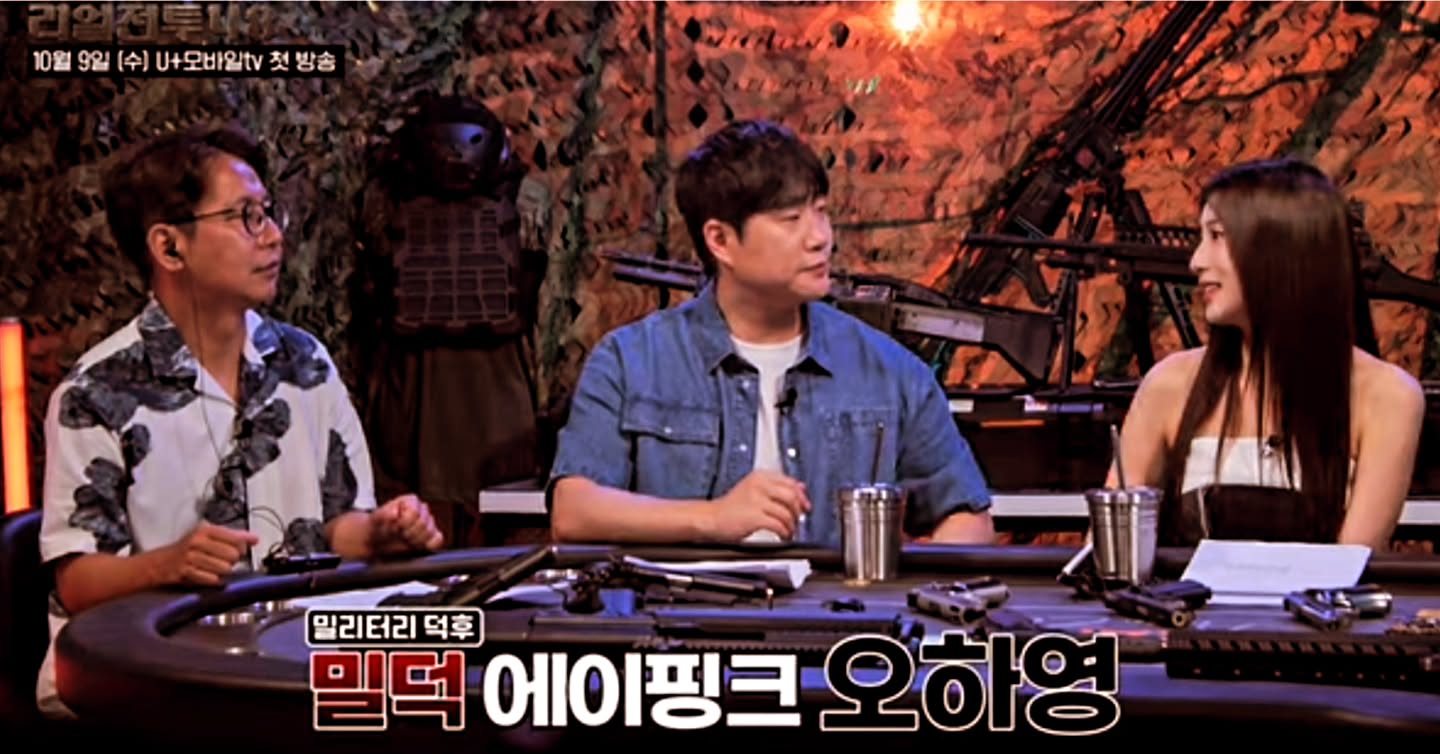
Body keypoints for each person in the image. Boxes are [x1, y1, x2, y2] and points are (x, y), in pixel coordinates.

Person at [35, 123, 444, 718]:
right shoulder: (95, 392)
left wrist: (381, 534)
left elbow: (336, 529)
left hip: (289, 659)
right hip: (149, 678)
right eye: (247, 217)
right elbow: (77, 582)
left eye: (269, 212)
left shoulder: (304, 361)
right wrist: (168, 564)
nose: (274, 235)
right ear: (169, 248)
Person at [547, 119, 995, 548]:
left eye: (821, 212)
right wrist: (712, 518)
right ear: (720, 241)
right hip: (679, 602)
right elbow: (574, 510)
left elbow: (968, 516)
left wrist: (915, 590)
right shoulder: (632, 361)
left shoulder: (888, 369)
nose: (820, 238)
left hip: (835, 603)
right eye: (791, 219)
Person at [1111, 157, 1424, 551]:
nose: (1196, 262)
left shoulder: (1388, 397)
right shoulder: (1169, 385)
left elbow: (1352, 565)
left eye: (1217, 236)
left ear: (1280, 250)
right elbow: (1112, 552)